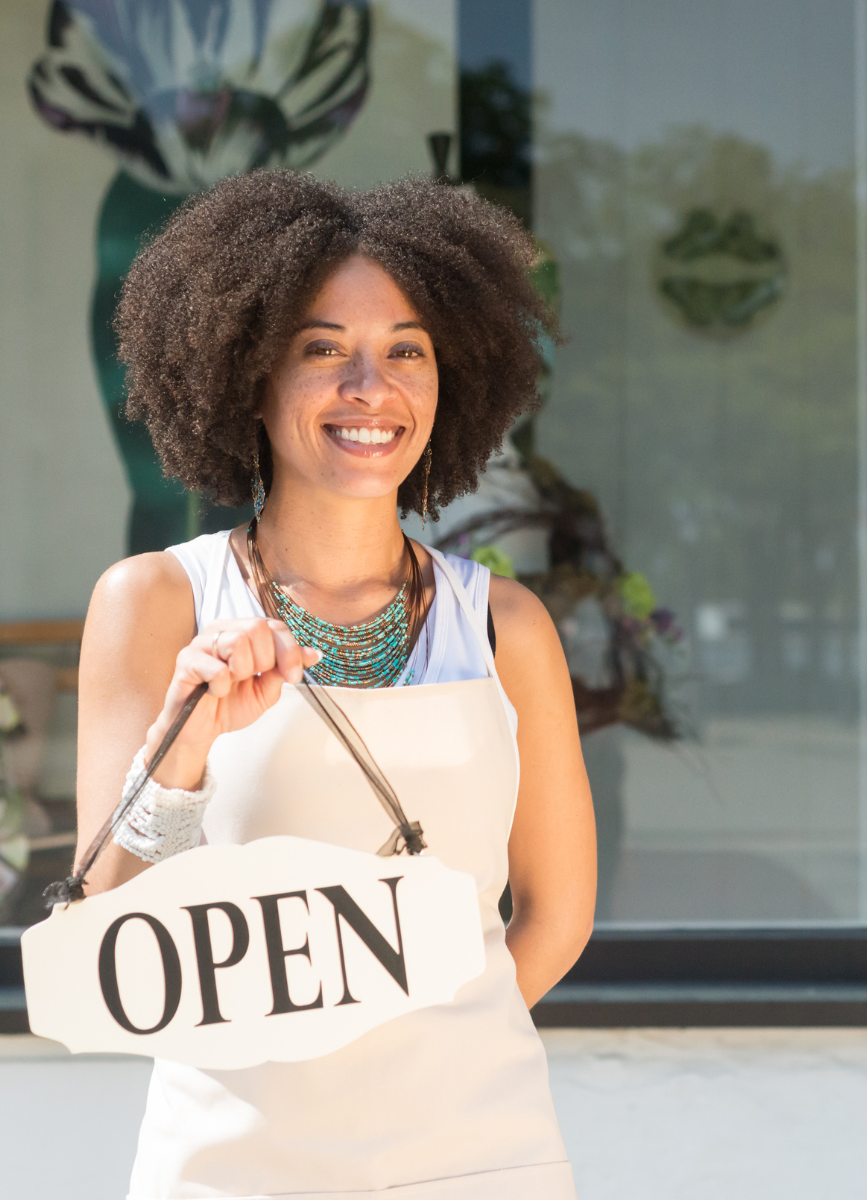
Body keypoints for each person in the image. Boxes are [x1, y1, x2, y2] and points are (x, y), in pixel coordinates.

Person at [72, 171, 595, 1200]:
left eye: (406, 349)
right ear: (246, 378)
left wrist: (405, 1049)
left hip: (476, 1159)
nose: (371, 387)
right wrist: (181, 749)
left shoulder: (508, 628)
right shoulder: (158, 603)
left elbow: (555, 915)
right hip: (231, 1165)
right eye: (323, 351)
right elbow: (107, 927)